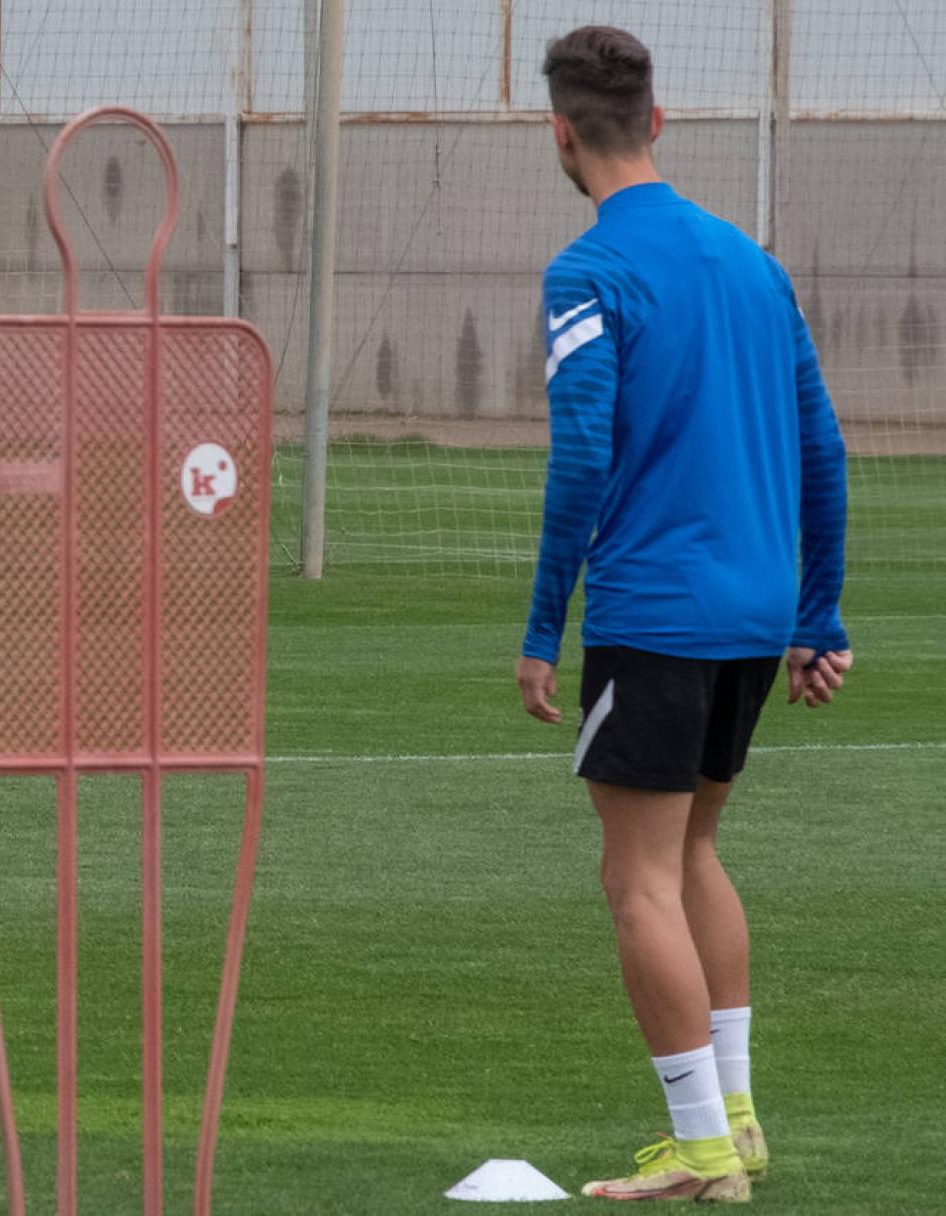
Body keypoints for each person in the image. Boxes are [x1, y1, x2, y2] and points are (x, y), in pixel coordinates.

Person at [515, 26, 851, 1203]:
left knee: (636, 880)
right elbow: (824, 446)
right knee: (696, 849)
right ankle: (741, 1120)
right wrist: (822, 612)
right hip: (758, 614)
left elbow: (583, 458)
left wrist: (542, 622)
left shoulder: (587, 271)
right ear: (657, 122)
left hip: (657, 612)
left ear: (558, 132)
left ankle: (703, 1148)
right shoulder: (755, 265)